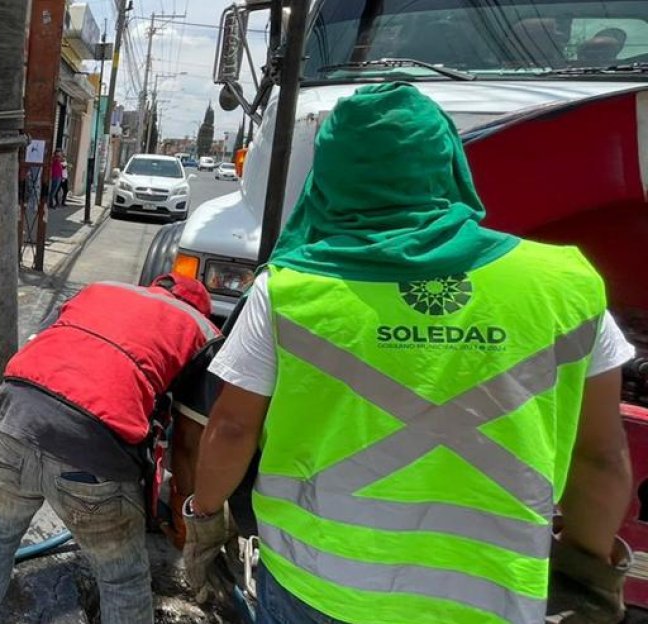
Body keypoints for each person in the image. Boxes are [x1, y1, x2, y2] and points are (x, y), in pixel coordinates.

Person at [182, 83, 635, 623]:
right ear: (447, 165)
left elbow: (231, 430)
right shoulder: (565, 285)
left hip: (316, 586)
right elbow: (602, 459)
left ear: (328, 179)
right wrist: (588, 574)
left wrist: (205, 520)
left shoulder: (289, 290)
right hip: (490, 598)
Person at [0, 274, 220, 624]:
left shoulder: (103, 290)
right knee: (121, 577)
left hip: (15, 419)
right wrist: (190, 517)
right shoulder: (202, 332)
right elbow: (189, 443)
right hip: (92, 449)